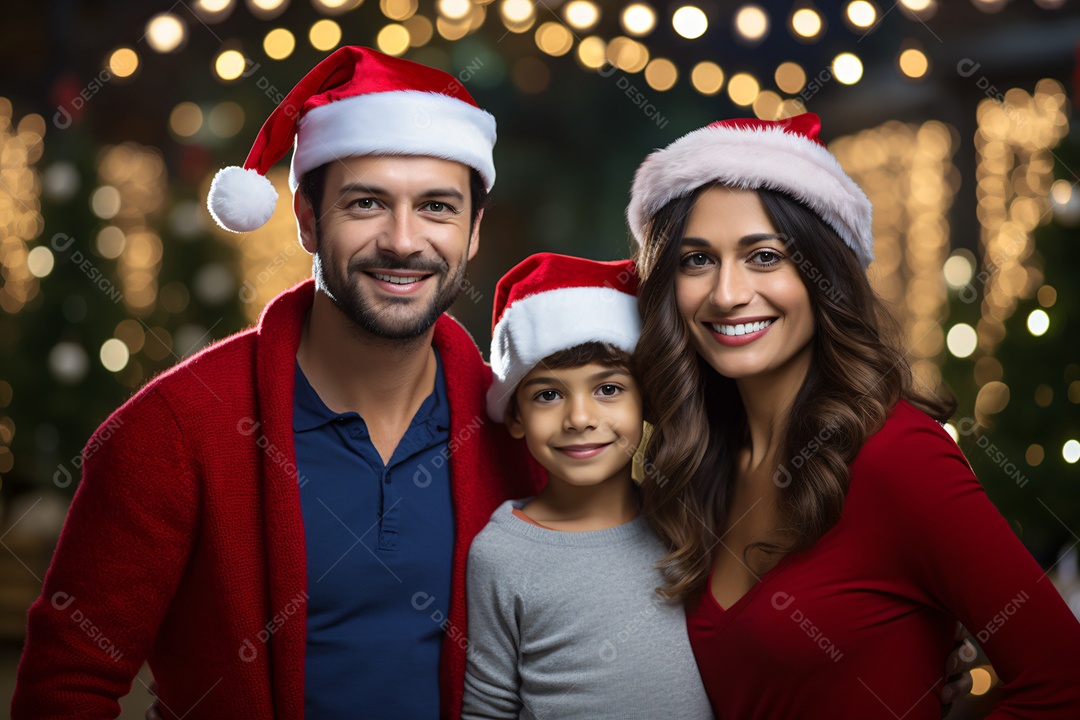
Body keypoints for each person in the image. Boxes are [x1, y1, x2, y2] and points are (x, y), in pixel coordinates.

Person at [13, 46, 544, 719]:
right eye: (367, 203)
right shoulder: (174, 430)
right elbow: (67, 685)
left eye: (437, 207)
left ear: (472, 233)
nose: (405, 241)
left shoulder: (525, 429)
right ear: (305, 218)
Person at [626, 112, 1080, 718]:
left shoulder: (898, 455)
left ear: (823, 275)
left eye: (764, 256)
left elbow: (1063, 679)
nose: (727, 293)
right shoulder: (697, 465)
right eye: (697, 260)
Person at [461, 252, 714, 719]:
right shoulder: (501, 555)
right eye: (549, 395)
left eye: (609, 389)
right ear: (515, 416)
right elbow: (488, 708)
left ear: (647, 400)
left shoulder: (686, 519)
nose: (580, 419)